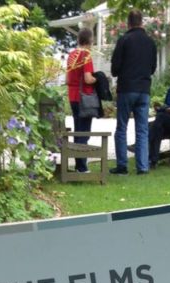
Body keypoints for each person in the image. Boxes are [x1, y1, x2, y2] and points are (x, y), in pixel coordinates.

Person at [109, 10, 157, 175]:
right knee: (142, 129)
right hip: (144, 89)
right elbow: (152, 68)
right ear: (141, 22)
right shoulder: (150, 42)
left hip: (127, 88)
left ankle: (122, 166)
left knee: (122, 127)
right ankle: (142, 166)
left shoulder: (124, 40)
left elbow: (115, 69)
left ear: (128, 23)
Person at [66, 27, 97, 174]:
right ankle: (82, 167)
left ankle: (78, 164)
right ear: (90, 40)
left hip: (72, 96)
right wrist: (98, 79)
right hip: (84, 97)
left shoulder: (71, 55)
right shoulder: (86, 55)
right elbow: (88, 78)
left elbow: (67, 79)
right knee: (84, 132)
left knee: (78, 130)